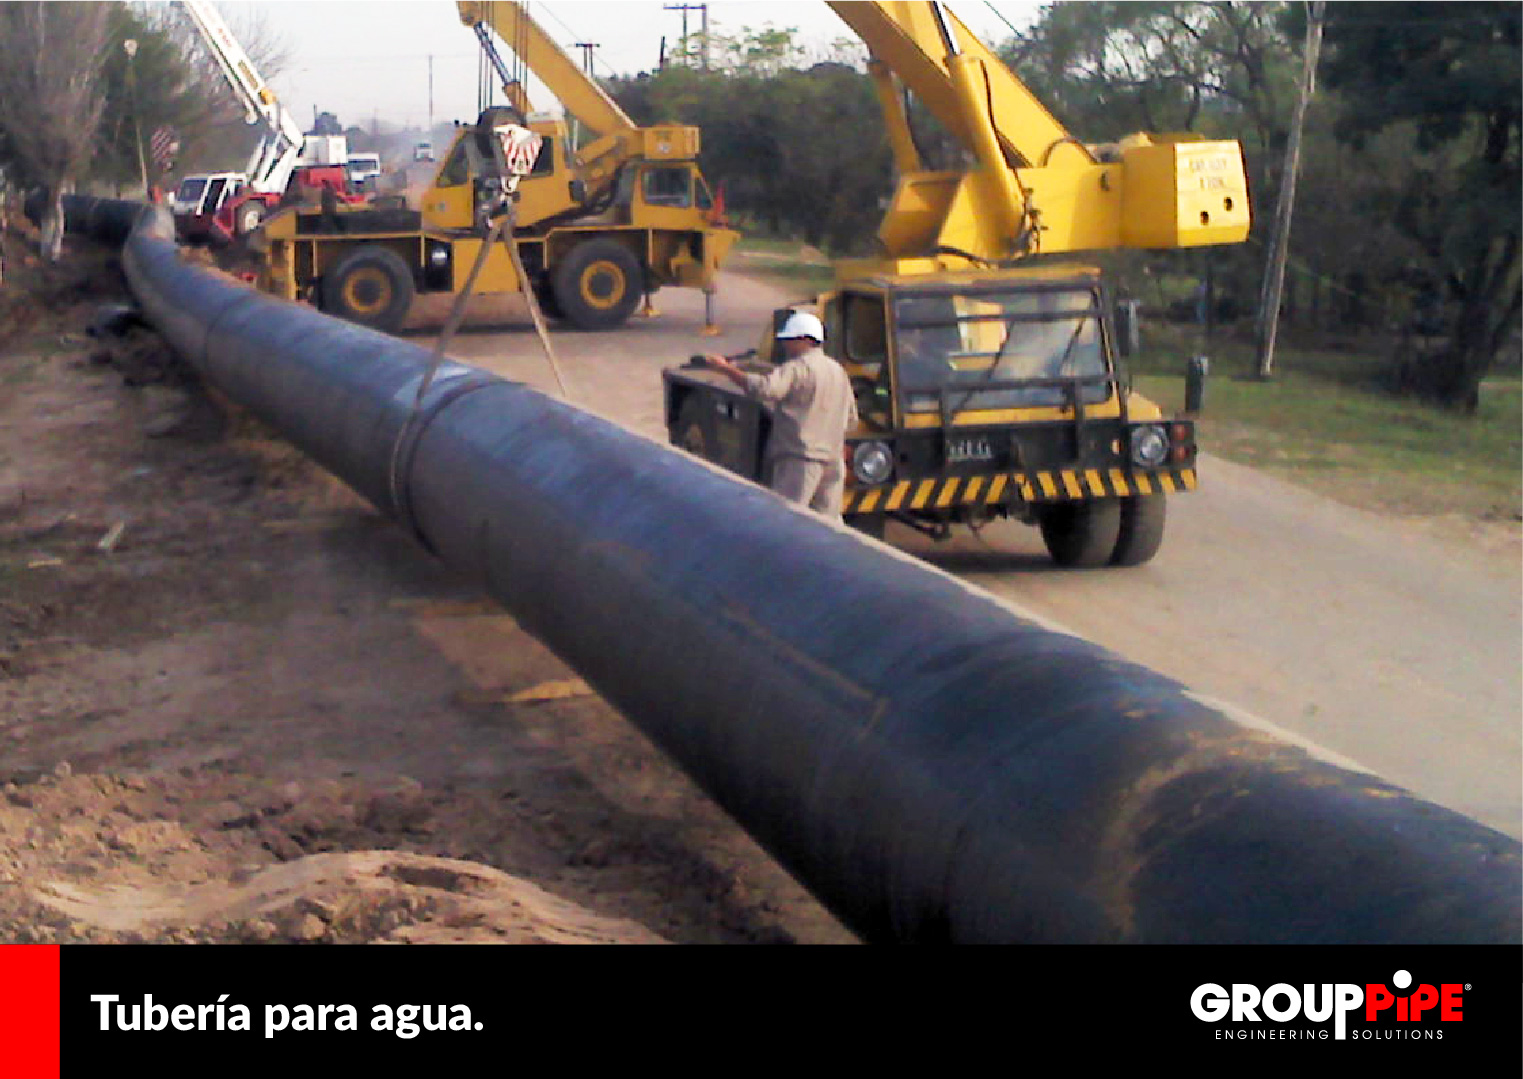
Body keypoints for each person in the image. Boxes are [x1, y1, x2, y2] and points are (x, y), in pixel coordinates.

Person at [704, 311, 858, 517]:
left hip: (801, 460)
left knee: (788, 518)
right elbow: (851, 419)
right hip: (833, 460)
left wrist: (726, 370)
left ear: (804, 339)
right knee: (827, 524)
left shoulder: (797, 368)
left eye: (789, 339)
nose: (785, 345)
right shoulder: (838, 371)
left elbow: (765, 389)